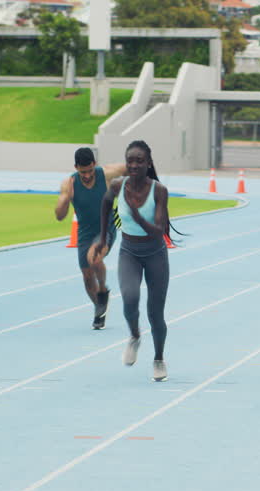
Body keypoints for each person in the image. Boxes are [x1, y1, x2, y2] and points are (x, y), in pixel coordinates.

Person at [100, 140, 175, 382]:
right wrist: (103, 237)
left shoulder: (159, 190)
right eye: (130, 160)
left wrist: (135, 215)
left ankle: (159, 358)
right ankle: (134, 336)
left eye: (139, 161)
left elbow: (158, 229)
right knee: (130, 298)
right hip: (129, 251)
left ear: (149, 163)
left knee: (155, 313)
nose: (134, 165)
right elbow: (105, 203)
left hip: (155, 253)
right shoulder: (117, 185)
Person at [54, 147, 125, 330]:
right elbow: (59, 216)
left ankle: (103, 290)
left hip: (106, 228)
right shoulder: (68, 184)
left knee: (93, 257)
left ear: (95, 164)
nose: (86, 175)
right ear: (76, 167)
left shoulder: (107, 174)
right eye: (82, 172)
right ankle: (99, 309)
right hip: (85, 233)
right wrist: (66, 199)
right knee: (87, 277)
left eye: (90, 171)